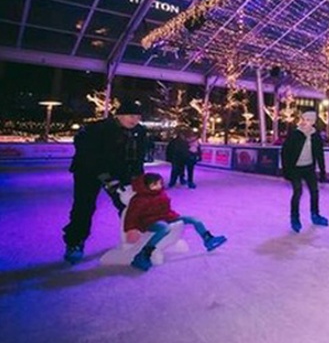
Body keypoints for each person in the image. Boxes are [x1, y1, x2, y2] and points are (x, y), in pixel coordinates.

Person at [63, 98, 147, 264]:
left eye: (138, 117)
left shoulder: (139, 132)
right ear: (119, 115)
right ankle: (75, 242)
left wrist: (139, 179)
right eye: (131, 115)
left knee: (128, 205)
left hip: (119, 171)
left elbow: (137, 158)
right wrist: (108, 180)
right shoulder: (99, 129)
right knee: (84, 206)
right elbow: (90, 156)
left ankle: (133, 239)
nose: (134, 120)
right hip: (87, 172)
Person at [126, 173, 227, 271]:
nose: (159, 186)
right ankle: (144, 253)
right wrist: (130, 229)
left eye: (160, 183)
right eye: (155, 184)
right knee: (164, 228)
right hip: (149, 221)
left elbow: (166, 208)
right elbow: (131, 215)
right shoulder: (138, 199)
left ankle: (208, 239)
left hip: (166, 216)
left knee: (194, 220)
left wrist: (174, 216)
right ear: (147, 186)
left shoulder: (161, 193)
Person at [281, 109, 328, 233]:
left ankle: (315, 215)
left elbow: (319, 154)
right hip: (295, 168)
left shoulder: (316, 136)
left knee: (314, 191)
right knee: (298, 192)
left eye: (308, 120)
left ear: (313, 122)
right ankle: (295, 218)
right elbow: (285, 152)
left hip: (309, 168)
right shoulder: (295, 134)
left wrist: (323, 171)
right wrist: (286, 171)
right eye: (304, 119)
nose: (305, 122)